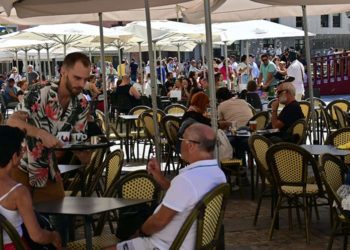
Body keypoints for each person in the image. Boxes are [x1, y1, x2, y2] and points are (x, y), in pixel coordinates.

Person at [104, 123, 226, 250]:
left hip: (166, 245)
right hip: (193, 243)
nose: (180, 144)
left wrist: (139, 233)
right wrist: (160, 178)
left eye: (182, 140)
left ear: (190, 145)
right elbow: (187, 195)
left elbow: (159, 221)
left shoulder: (186, 181)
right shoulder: (217, 174)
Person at [6, 52, 92, 203]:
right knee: (20, 222)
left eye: (85, 80)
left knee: (60, 221)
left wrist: (82, 154)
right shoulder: (39, 91)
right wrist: (40, 133)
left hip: (50, 169)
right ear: (63, 72)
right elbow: (12, 122)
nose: (81, 84)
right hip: (20, 167)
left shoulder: (82, 104)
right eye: (77, 78)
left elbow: (73, 140)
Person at [0, 125, 62, 249]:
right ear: (14, 157)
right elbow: (37, 236)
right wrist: (53, 236)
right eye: (21, 150)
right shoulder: (18, 192)